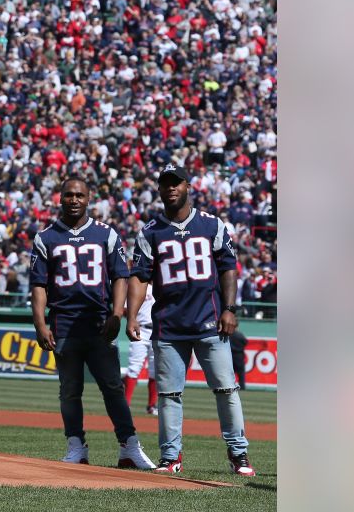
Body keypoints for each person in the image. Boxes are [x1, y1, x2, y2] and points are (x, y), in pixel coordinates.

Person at [127, 165, 256, 476]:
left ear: (187, 186)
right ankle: (171, 456)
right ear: (159, 190)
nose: (170, 188)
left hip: (209, 321)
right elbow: (140, 277)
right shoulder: (150, 231)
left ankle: (238, 453)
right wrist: (130, 315)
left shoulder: (212, 225)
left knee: (227, 389)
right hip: (169, 326)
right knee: (169, 395)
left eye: (176, 183)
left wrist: (229, 308)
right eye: (165, 184)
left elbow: (228, 268)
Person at [29, 177, 154, 470]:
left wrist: (117, 314)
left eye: (80, 195)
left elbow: (120, 276)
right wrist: (39, 324)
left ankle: (129, 447)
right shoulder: (45, 237)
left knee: (112, 387)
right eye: (69, 195)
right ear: (60, 198)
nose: (74, 200)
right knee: (70, 389)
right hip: (64, 323)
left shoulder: (106, 234)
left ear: (89, 199)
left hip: (99, 323)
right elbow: (38, 285)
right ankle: (76, 445)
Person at [123, 282, 159, 416]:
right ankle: (125, 404)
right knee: (134, 367)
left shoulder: (160, 285)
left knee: (155, 370)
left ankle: (152, 406)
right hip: (141, 329)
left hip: (157, 331)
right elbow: (125, 310)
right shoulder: (136, 286)